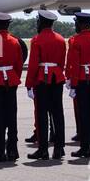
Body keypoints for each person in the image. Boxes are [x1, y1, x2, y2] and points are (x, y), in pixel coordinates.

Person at [25, 9, 68, 160]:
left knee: (42, 114)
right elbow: (62, 62)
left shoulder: (37, 40)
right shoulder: (61, 39)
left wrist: (29, 83)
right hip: (56, 77)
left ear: (42, 23)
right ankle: (59, 148)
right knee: (57, 114)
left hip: (42, 79)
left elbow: (33, 65)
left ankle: (43, 149)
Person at [66, 12, 90, 158]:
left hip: (82, 79)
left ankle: (85, 146)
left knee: (84, 114)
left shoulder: (75, 40)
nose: (75, 26)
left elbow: (74, 64)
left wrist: (73, 82)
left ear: (81, 24)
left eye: (76, 23)